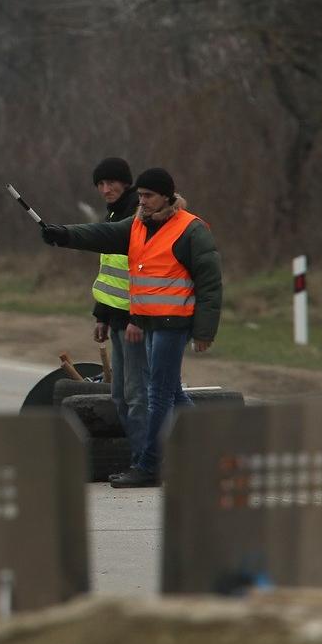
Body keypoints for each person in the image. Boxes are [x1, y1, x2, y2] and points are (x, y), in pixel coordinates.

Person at [41, 167, 221, 488]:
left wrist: (204, 331)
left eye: (149, 196)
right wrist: (64, 234)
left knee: (158, 395)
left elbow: (210, 285)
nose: (143, 202)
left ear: (168, 196)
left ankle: (149, 466)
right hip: (148, 322)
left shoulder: (191, 230)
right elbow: (102, 235)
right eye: (140, 196)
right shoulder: (137, 224)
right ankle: (214, 450)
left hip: (174, 324)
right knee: (173, 394)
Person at [88, 157, 148, 476]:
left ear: (125, 182)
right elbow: (110, 274)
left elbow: (142, 273)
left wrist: (137, 318)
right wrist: (101, 315)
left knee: (138, 395)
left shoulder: (135, 214)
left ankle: (145, 462)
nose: (105, 189)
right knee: (121, 395)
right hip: (117, 320)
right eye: (100, 184)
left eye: (111, 182)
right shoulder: (113, 214)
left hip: (136, 322)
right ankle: (139, 458)